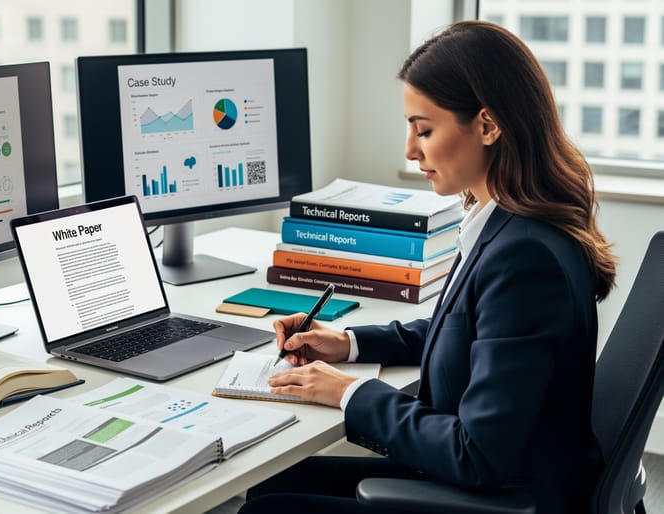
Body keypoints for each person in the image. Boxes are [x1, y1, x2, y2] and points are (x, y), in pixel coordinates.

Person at [238, 20, 617, 514]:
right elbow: (465, 332)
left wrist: (350, 393)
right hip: (505, 475)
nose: (410, 150)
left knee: (268, 509)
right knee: (275, 482)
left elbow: (476, 454)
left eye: (425, 129)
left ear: (487, 125)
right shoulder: (501, 222)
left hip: (506, 494)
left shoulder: (526, 257)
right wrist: (347, 343)